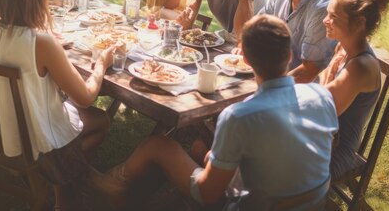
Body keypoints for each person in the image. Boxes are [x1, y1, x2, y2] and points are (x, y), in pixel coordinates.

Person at [100, 14, 338, 209]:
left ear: (243, 57)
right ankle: (152, 193)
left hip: (251, 205)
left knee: (157, 145)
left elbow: (208, 193)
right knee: (200, 147)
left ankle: (111, 184)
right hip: (313, 203)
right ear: (289, 55)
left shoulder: (239, 115)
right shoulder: (322, 96)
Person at [0, 0, 113, 210]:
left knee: (82, 117)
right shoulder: (40, 41)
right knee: (101, 121)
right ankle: (60, 179)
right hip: (34, 139)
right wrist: (102, 63)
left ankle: (59, 178)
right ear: (35, 3)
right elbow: (86, 97)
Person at [320, 0, 389, 181]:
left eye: (333, 17)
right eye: (328, 13)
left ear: (359, 22)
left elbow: (323, 108)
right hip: (322, 137)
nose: (325, 20)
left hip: (336, 151)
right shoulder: (342, 49)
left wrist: (328, 75)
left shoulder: (361, 66)